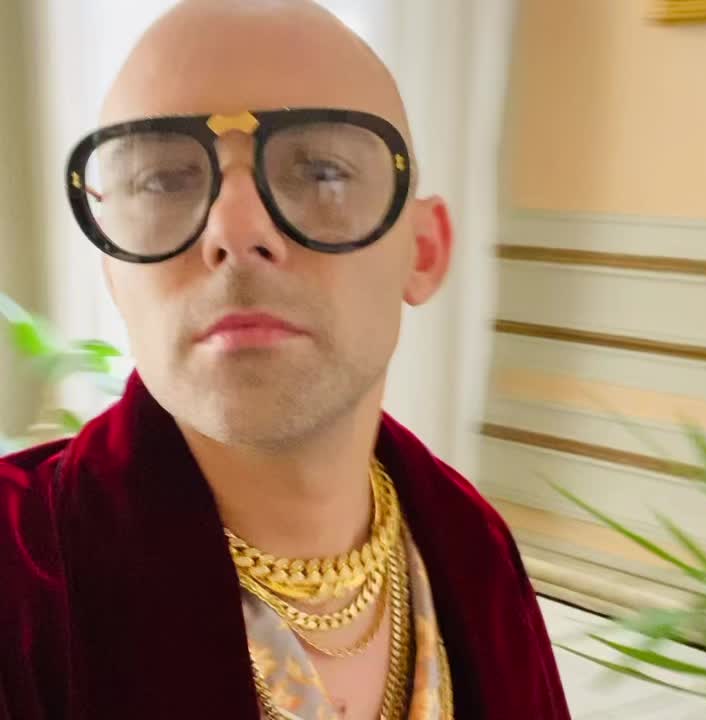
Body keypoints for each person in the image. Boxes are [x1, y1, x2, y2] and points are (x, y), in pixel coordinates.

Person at [0, 1, 571, 718]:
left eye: (322, 172)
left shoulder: (474, 548)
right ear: (115, 274)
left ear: (423, 253)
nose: (236, 229)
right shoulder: (18, 579)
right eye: (164, 180)